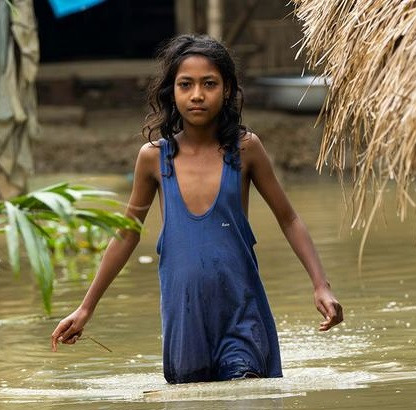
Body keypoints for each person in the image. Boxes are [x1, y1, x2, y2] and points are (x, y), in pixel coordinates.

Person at [50, 35, 343, 383]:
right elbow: (126, 234)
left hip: (241, 314)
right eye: (185, 85)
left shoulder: (245, 150)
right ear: (171, 92)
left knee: (247, 405)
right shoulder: (153, 160)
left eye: (209, 84)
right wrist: (86, 307)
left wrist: (320, 285)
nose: (197, 95)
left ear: (228, 89)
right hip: (184, 323)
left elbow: (289, 218)